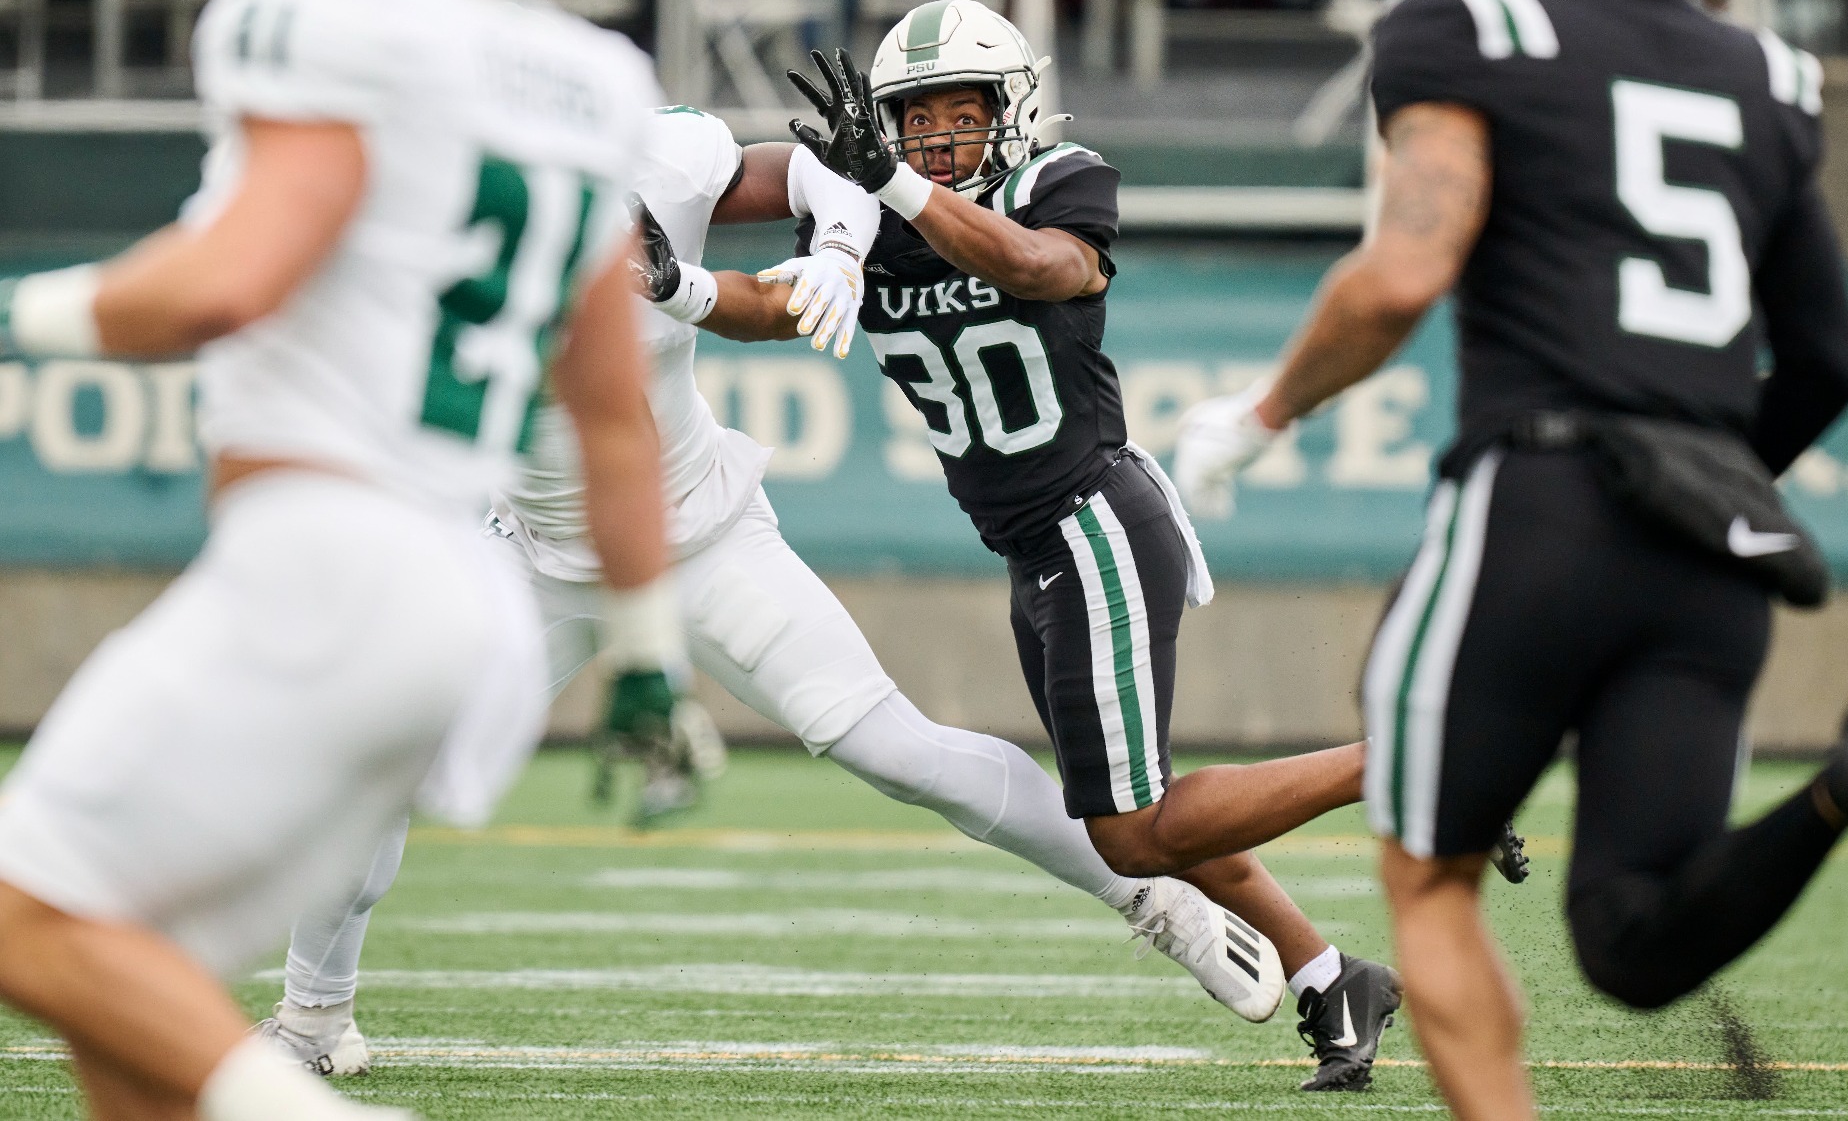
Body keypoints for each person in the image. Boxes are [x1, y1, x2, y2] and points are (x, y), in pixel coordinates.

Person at [1171, 0, 1848, 1116]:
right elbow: (1829, 357)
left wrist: (1259, 417)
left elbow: (1401, 274)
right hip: (1713, 538)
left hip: (1538, 502)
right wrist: (1705, 473)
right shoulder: (1763, 72)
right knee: (1633, 936)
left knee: (1428, 875)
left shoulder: (1470, 24)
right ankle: (1845, 785)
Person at [254, 104, 1304, 1077]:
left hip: (703, 535)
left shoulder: (652, 162)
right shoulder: (387, 257)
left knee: (896, 749)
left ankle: (1157, 901)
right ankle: (311, 1016)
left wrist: (841, 251)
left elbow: (817, 168)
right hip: (528, 551)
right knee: (374, 768)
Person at [0, 0, 677, 1118]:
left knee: (26, 914)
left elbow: (227, 281)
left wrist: (20, 311)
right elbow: (609, 405)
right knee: (130, 990)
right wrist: (650, 653)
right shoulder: (594, 78)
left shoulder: (320, 11)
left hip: (331, 560)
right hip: (455, 594)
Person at [750, 0, 1416, 1092]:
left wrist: (899, 189)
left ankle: (1398, 765)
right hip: (1032, 546)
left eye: (956, 120)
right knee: (1134, 803)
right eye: (911, 124)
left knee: (1128, 830)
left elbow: (1043, 269)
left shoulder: (1055, 179)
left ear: (1008, 114)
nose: (931, 144)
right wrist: (677, 288)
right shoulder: (865, 216)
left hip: (1091, 519)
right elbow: (782, 308)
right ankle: (1328, 975)